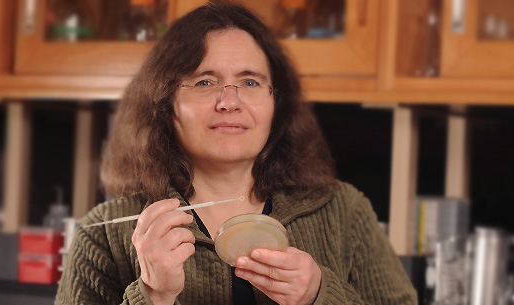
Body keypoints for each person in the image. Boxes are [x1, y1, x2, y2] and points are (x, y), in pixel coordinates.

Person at [55, 1, 417, 304]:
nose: (230, 101)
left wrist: (319, 294)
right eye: (204, 82)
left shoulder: (344, 212)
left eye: (249, 82)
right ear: (165, 103)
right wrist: (153, 296)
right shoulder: (102, 235)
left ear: (276, 102)